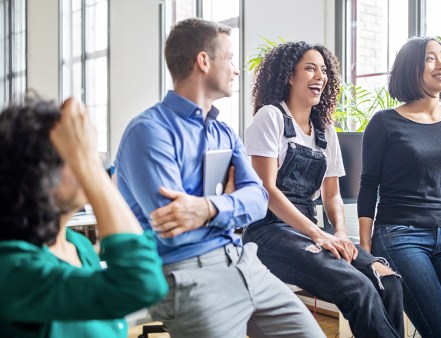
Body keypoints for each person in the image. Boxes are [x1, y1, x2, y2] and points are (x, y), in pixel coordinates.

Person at [115, 19, 323, 338]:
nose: (236, 70)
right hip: (190, 275)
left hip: (243, 263)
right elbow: (174, 230)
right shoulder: (149, 132)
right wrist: (231, 204)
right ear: (203, 61)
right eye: (229, 59)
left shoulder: (223, 133)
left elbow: (258, 199)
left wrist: (209, 208)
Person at [243, 41, 405, 338]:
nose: (320, 76)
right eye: (310, 68)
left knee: (388, 280)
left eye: (324, 70)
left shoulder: (325, 131)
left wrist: (340, 233)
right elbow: (266, 189)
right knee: (357, 287)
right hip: (267, 233)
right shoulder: (271, 117)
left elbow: (332, 194)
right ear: (289, 76)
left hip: (307, 230)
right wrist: (318, 234)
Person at [0, 95, 167, 337]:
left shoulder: (78, 245)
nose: (93, 159)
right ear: (39, 174)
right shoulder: (12, 269)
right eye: (74, 153)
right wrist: (88, 164)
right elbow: (142, 282)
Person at [358, 36, 441, 338]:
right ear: (411, 68)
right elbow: (368, 184)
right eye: (430, 58)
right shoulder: (384, 122)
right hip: (397, 235)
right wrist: (366, 252)